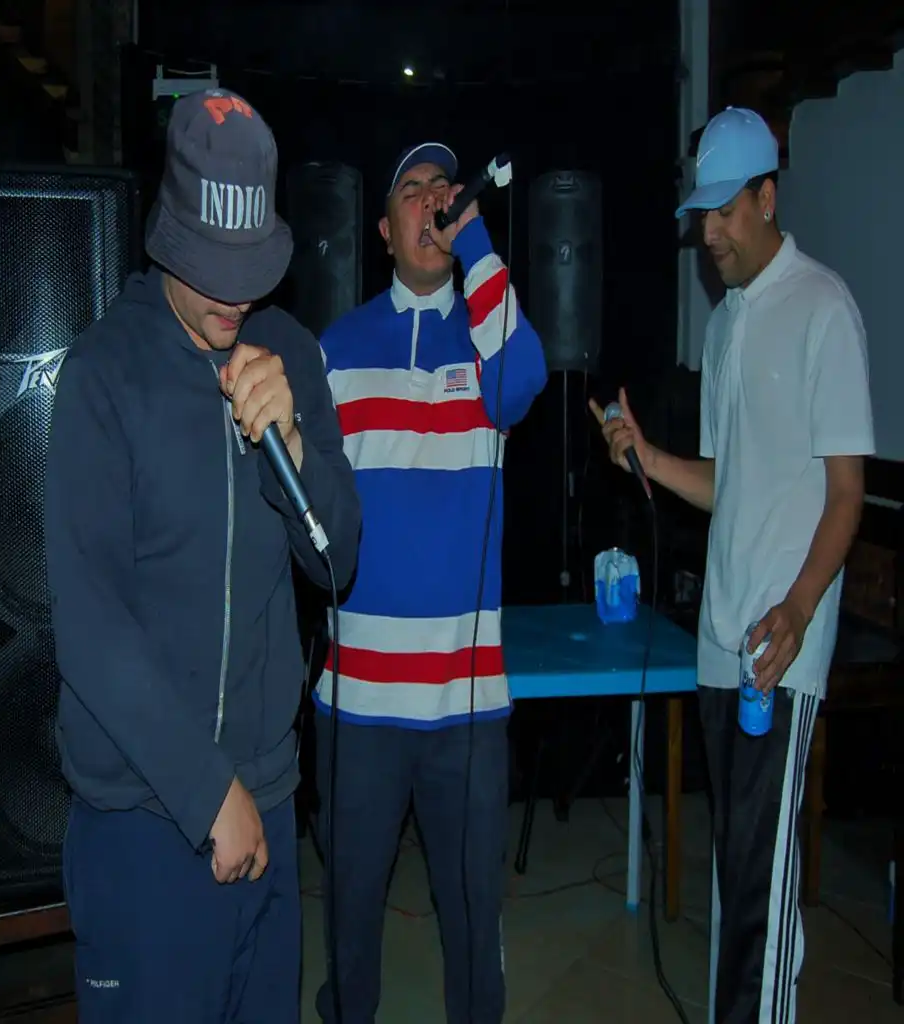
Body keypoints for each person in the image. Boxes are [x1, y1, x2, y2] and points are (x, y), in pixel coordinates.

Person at [44, 88, 361, 1023]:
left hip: (270, 798)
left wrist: (292, 446)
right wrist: (205, 789)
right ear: (166, 232)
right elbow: (89, 625)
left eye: (249, 268)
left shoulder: (289, 353)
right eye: (209, 266)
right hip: (143, 816)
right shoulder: (104, 373)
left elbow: (339, 561)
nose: (233, 296)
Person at [591, 107, 873, 1022]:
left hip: (780, 645)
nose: (707, 233)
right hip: (721, 636)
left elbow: (846, 493)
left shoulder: (823, 307)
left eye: (724, 211)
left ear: (767, 197)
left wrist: (798, 609)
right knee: (735, 875)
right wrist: (647, 456)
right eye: (700, 214)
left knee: (763, 887)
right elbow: (727, 482)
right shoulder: (722, 326)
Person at [313, 142, 548, 1024]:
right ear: (383, 229)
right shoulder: (337, 349)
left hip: (465, 707)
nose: (430, 202)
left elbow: (526, 378)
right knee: (349, 922)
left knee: (473, 923)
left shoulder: (490, 338)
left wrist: (476, 241)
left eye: (441, 190)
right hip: (358, 705)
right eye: (410, 192)